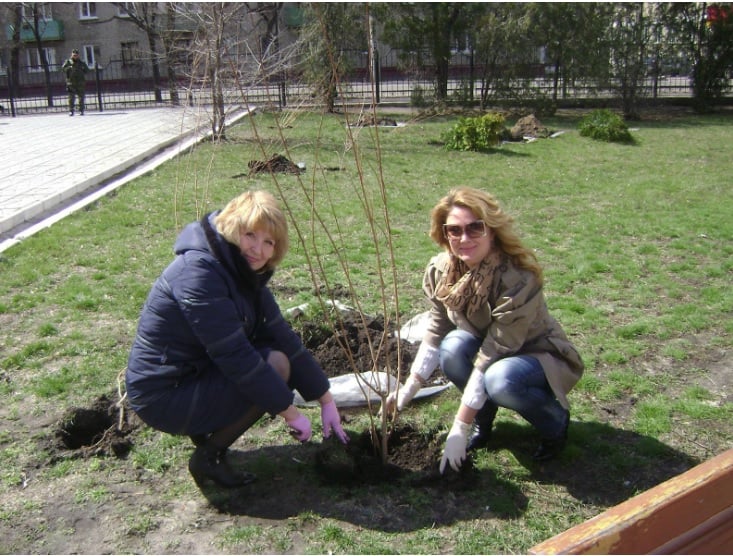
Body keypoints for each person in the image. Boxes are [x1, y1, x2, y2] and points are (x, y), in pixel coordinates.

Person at [126, 190, 349, 488]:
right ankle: (209, 456)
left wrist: (325, 398)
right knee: (275, 367)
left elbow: (281, 334)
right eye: (250, 235)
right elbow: (234, 355)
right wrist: (290, 412)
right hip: (164, 394)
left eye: (268, 242)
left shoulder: (240, 271)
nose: (258, 249)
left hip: (192, 373)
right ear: (231, 229)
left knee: (276, 354)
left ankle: (209, 432)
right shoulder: (199, 274)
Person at [384, 187, 583, 474]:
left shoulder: (517, 279)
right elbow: (437, 327)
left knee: (500, 380)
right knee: (451, 347)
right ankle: (484, 418)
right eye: (454, 230)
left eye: (475, 228)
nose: (464, 239)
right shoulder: (443, 271)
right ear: (444, 234)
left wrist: (459, 426)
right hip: (490, 351)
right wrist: (407, 391)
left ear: (492, 231)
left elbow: (494, 349)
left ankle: (555, 422)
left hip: (535, 353)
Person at [61, 49, 89, 116]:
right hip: (71, 83)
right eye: (74, 55)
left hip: (80, 83)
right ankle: (71, 111)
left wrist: (82, 70)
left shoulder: (82, 63)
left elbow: (87, 70)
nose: (75, 56)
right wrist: (69, 68)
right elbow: (63, 69)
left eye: (76, 55)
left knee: (81, 97)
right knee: (71, 98)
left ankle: (81, 110)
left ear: (78, 55)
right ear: (72, 55)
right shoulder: (68, 62)